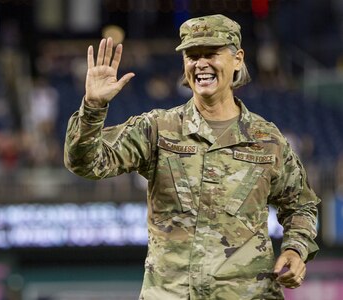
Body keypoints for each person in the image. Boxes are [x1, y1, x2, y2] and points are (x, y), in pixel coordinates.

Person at [64, 14, 320, 300]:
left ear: (237, 59)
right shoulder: (157, 129)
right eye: (191, 55)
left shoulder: (267, 140)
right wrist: (93, 107)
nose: (201, 63)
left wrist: (295, 249)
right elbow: (85, 164)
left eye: (211, 53)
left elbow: (301, 205)